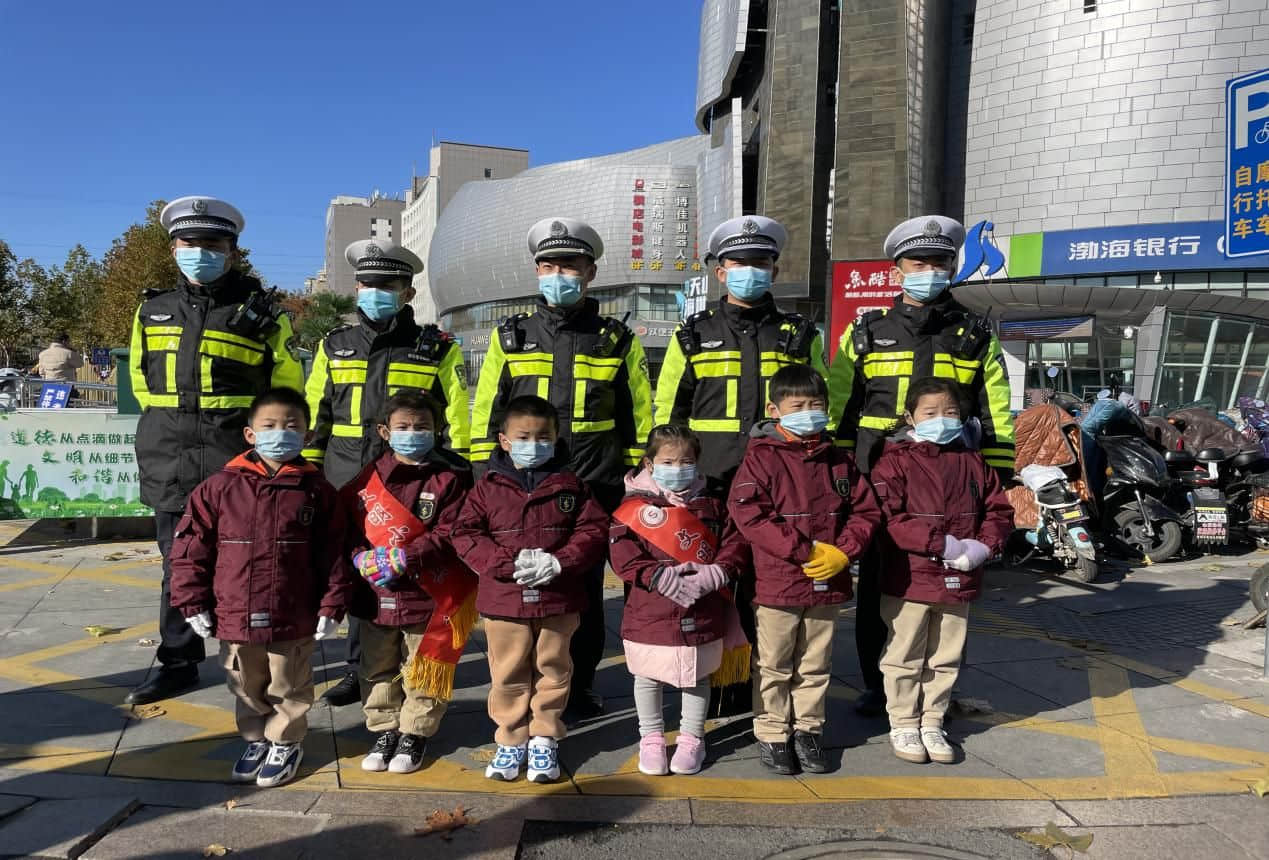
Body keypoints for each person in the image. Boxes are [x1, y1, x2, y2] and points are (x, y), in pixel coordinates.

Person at [828, 215, 1014, 718]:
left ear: (953, 267)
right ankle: (878, 682)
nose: (928, 270)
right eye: (918, 262)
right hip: (877, 477)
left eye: (939, 262)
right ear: (897, 270)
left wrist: (1000, 474)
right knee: (877, 585)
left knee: (953, 586)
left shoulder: (974, 333)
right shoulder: (866, 331)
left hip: (952, 480)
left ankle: (937, 690)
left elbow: (995, 403)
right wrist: (840, 477)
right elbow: (841, 404)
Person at [470, 217, 653, 722]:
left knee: (583, 592)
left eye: (570, 264)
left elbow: (639, 409)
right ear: (537, 272)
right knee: (516, 586)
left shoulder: (616, 338)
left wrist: (639, 481)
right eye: (549, 265)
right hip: (519, 484)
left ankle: (580, 684)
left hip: (592, 483)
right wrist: (483, 476)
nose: (559, 273)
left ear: (590, 271)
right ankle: (516, 688)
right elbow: (488, 407)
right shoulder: (510, 336)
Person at [126, 196, 304, 706]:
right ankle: (178, 661)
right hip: (168, 452)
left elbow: (286, 386)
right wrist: (171, 424)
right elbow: (142, 378)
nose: (199, 252)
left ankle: (252, 657)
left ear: (232, 250)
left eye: (212, 244)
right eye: (190, 243)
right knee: (176, 560)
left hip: (234, 453)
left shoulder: (264, 313)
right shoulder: (151, 308)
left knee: (246, 561)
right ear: (174, 247)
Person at [653, 215, 827, 716]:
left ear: (774, 269)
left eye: (761, 262)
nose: (751, 270)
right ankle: (718, 681)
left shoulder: (798, 334)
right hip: (710, 481)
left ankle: (764, 680)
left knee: (769, 583)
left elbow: (816, 407)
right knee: (712, 580)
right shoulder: (692, 334)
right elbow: (670, 413)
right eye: (739, 263)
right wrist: (662, 475)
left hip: (781, 484)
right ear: (720, 271)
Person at [306, 239, 471, 708]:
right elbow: (315, 415)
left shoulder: (436, 348)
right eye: (368, 283)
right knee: (356, 572)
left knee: (410, 568)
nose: (376, 291)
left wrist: (456, 476)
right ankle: (360, 670)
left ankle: (416, 665)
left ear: (408, 292)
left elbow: (455, 417)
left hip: (413, 482)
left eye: (388, 285)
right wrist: (313, 476)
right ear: (357, 287)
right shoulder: (333, 346)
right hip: (348, 478)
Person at [168, 387, 354, 787]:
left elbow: (336, 555)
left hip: (294, 611)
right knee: (244, 681)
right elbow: (189, 547)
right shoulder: (219, 488)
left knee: (290, 684)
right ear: (250, 434)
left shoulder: (318, 492)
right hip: (234, 609)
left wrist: (331, 605)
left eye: (292, 426)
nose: (280, 433)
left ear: (307, 436)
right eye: (269, 426)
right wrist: (191, 600)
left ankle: (285, 739)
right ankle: (256, 737)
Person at [728, 364, 881, 775]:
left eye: (817, 405)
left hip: (827, 581)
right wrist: (804, 551)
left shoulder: (839, 460)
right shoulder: (760, 459)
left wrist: (844, 552)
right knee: (774, 663)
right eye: (799, 405)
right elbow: (750, 514)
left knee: (816, 661)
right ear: (774, 409)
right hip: (778, 582)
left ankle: (808, 729)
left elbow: (865, 512)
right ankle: (774, 732)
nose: (809, 413)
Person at [448, 396, 609, 783]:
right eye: (524, 436)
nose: (534, 444)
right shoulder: (486, 487)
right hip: (505, 599)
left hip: (559, 597)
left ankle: (544, 737)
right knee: (508, 672)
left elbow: (594, 530)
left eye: (544, 437)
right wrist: (506, 565)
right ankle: (510, 738)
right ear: (504, 440)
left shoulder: (573, 486)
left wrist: (560, 561)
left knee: (553, 669)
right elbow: (465, 533)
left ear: (556, 439)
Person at [869, 377, 1013, 764]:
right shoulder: (894, 461)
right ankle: (903, 721)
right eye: (930, 413)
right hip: (910, 577)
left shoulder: (971, 459)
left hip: (961, 577)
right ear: (910, 416)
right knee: (904, 655)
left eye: (951, 412)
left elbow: (998, 509)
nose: (942, 420)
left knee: (946, 656)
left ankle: (932, 720)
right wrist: (943, 544)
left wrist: (983, 546)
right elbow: (889, 518)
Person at [341, 391, 475, 775]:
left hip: (427, 593)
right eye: (403, 427)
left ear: (437, 431)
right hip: (375, 593)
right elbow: (347, 526)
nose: (412, 434)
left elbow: (453, 529)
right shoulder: (367, 479)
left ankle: (416, 730)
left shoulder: (450, 479)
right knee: (376, 666)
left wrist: (407, 555)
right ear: (385, 431)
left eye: (422, 427)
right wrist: (357, 556)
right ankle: (384, 728)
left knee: (424, 666)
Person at [609, 424, 750, 777]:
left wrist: (719, 572)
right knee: (647, 677)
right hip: (650, 610)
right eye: (668, 461)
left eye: (686, 461)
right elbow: (622, 553)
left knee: (697, 676)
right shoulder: (633, 507)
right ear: (649, 463)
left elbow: (735, 543)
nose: (678, 467)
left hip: (702, 609)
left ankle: (691, 738)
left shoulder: (713, 504)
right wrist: (656, 576)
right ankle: (651, 738)